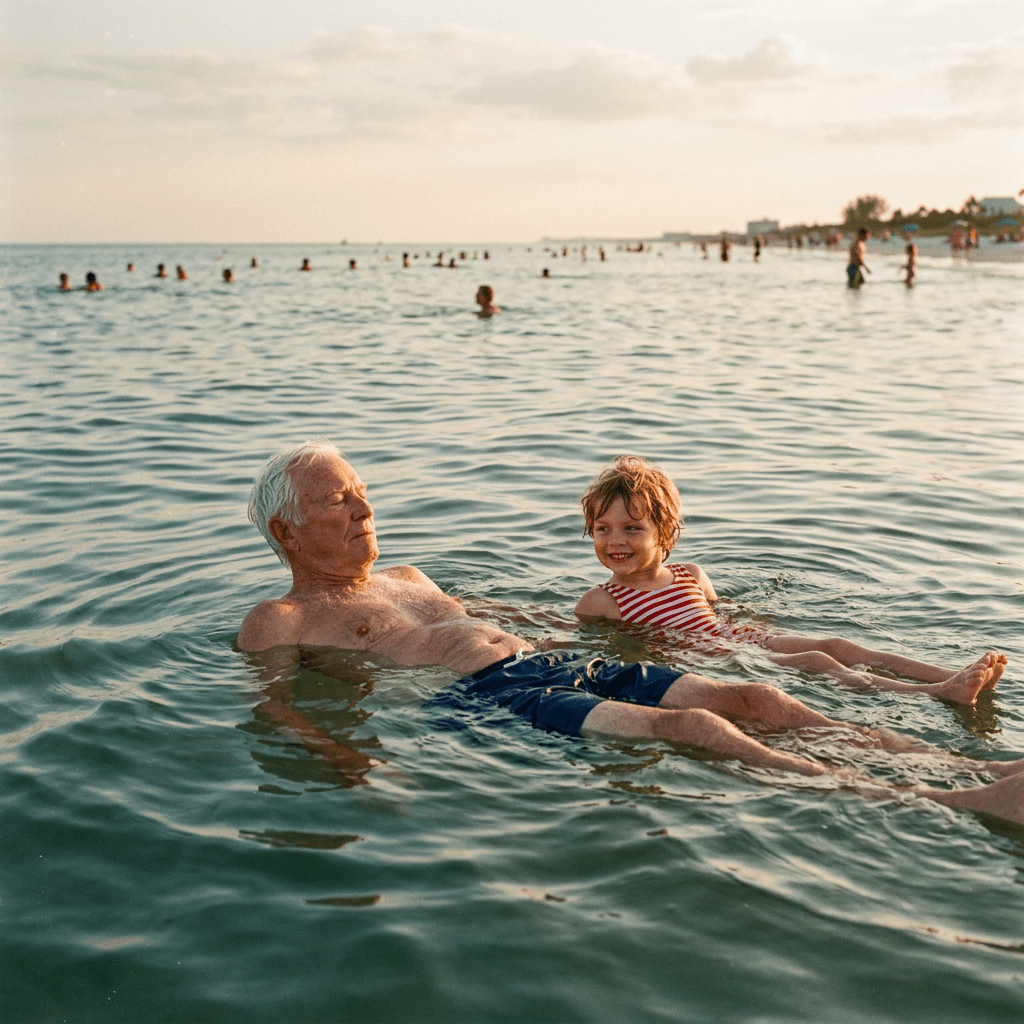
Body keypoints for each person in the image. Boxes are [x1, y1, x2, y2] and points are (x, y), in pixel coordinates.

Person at [237, 442, 1024, 824]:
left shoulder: (409, 577)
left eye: (363, 492)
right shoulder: (280, 619)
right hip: (487, 700)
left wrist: (597, 616)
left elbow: (500, 620)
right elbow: (274, 707)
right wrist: (341, 755)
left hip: (551, 663)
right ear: (288, 528)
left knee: (754, 691)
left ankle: (953, 755)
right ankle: (957, 800)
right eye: (339, 501)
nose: (365, 509)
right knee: (691, 725)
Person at [574, 456, 1006, 707]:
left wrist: (761, 617)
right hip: (711, 658)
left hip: (742, 638)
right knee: (818, 662)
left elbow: (722, 613)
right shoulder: (601, 601)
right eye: (603, 530)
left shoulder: (692, 574)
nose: (616, 541)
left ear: (664, 533)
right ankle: (936, 693)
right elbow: (598, 651)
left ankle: (953, 672)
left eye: (633, 529)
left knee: (836, 645)